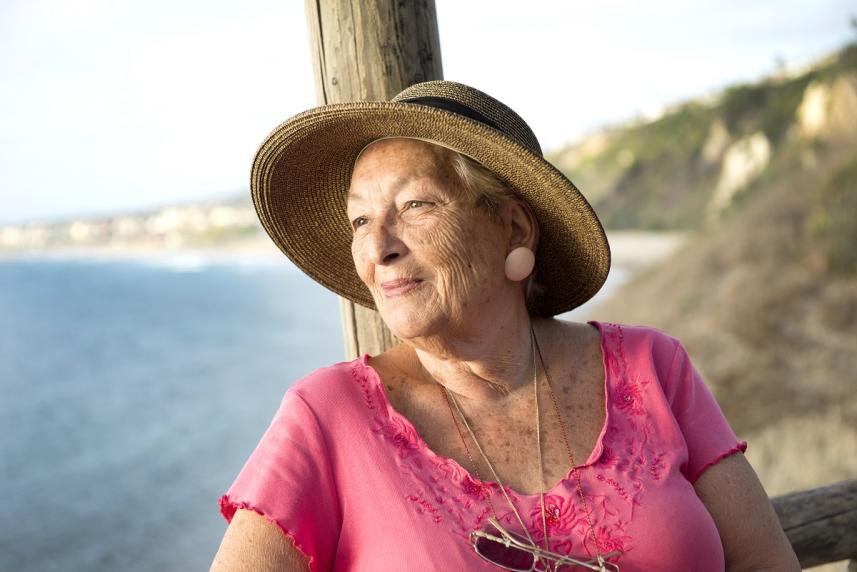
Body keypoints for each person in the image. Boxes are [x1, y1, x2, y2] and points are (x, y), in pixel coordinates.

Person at [209, 81, 799, 571]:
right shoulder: (328, 415)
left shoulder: (653, 369)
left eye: (415, 206)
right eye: (361, 219)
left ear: (514, 230)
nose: (378, 247)